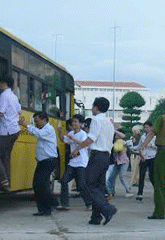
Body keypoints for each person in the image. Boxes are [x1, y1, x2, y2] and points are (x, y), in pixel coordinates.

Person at [70, 97, 117, 226]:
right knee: (99, 186)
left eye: (93, 106)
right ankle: (96, 217)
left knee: (88, 184)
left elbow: (91, 138)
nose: (92, 108)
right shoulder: (109, 122)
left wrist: (77, 148)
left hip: (97, 155)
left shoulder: (96, 120)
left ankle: (108, 209)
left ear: (96, 108)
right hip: (106, 156)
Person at [18, 112, 58, 216]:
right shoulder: (43, 129)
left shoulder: (48, 129)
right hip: (43, 161)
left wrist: (26, 125)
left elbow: (38, 133)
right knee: (40, 185)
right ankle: (48, 206)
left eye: (37, 121)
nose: (35, 123)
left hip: (48, 161)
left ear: (44, 120)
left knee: (39, 184)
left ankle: (47, 208)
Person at [0, 74, 21, 191]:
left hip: (6, 131)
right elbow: (19, 111)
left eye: (0, 83)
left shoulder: (4, 95)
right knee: (6, 156)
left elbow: (0, 112)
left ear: (4, 84)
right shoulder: (14, 96)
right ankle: (7, 182)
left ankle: (3, 181)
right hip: (15, 130)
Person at [56, 114, 92, 211]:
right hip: (72, 163)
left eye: (76, 122)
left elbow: (84, 144)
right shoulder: (71, 133)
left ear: (80, 124)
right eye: (73, 121)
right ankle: (64, 204)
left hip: (81, 163)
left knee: (81, 185)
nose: (74, 123)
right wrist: (60, 132)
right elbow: (63, 140)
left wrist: (73, 138)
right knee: (64, 181)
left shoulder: (83, 134)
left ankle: (89, 203)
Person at [106, 129, 133, 198]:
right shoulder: (112, 141)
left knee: (122, 176)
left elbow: (123, 137)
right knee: (111, 177)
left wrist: (115, 130)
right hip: (116, 162)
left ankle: (128, 190)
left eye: (118, 134)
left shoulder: (122, 142)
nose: (116, 136)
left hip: (124, 162)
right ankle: (111, 192)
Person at [136, 120, 156, 201]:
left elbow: (158, 147)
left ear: (151, 128)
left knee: (152, 176)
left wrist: (151, 145)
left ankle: (157, 191)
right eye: (145, 127)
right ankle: (140, 193)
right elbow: (140, 146)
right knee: (141, 175)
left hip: (152, 157)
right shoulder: (143, 136)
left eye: (147, 127)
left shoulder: (155, 137)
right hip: (144, 157)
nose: (146, 129)